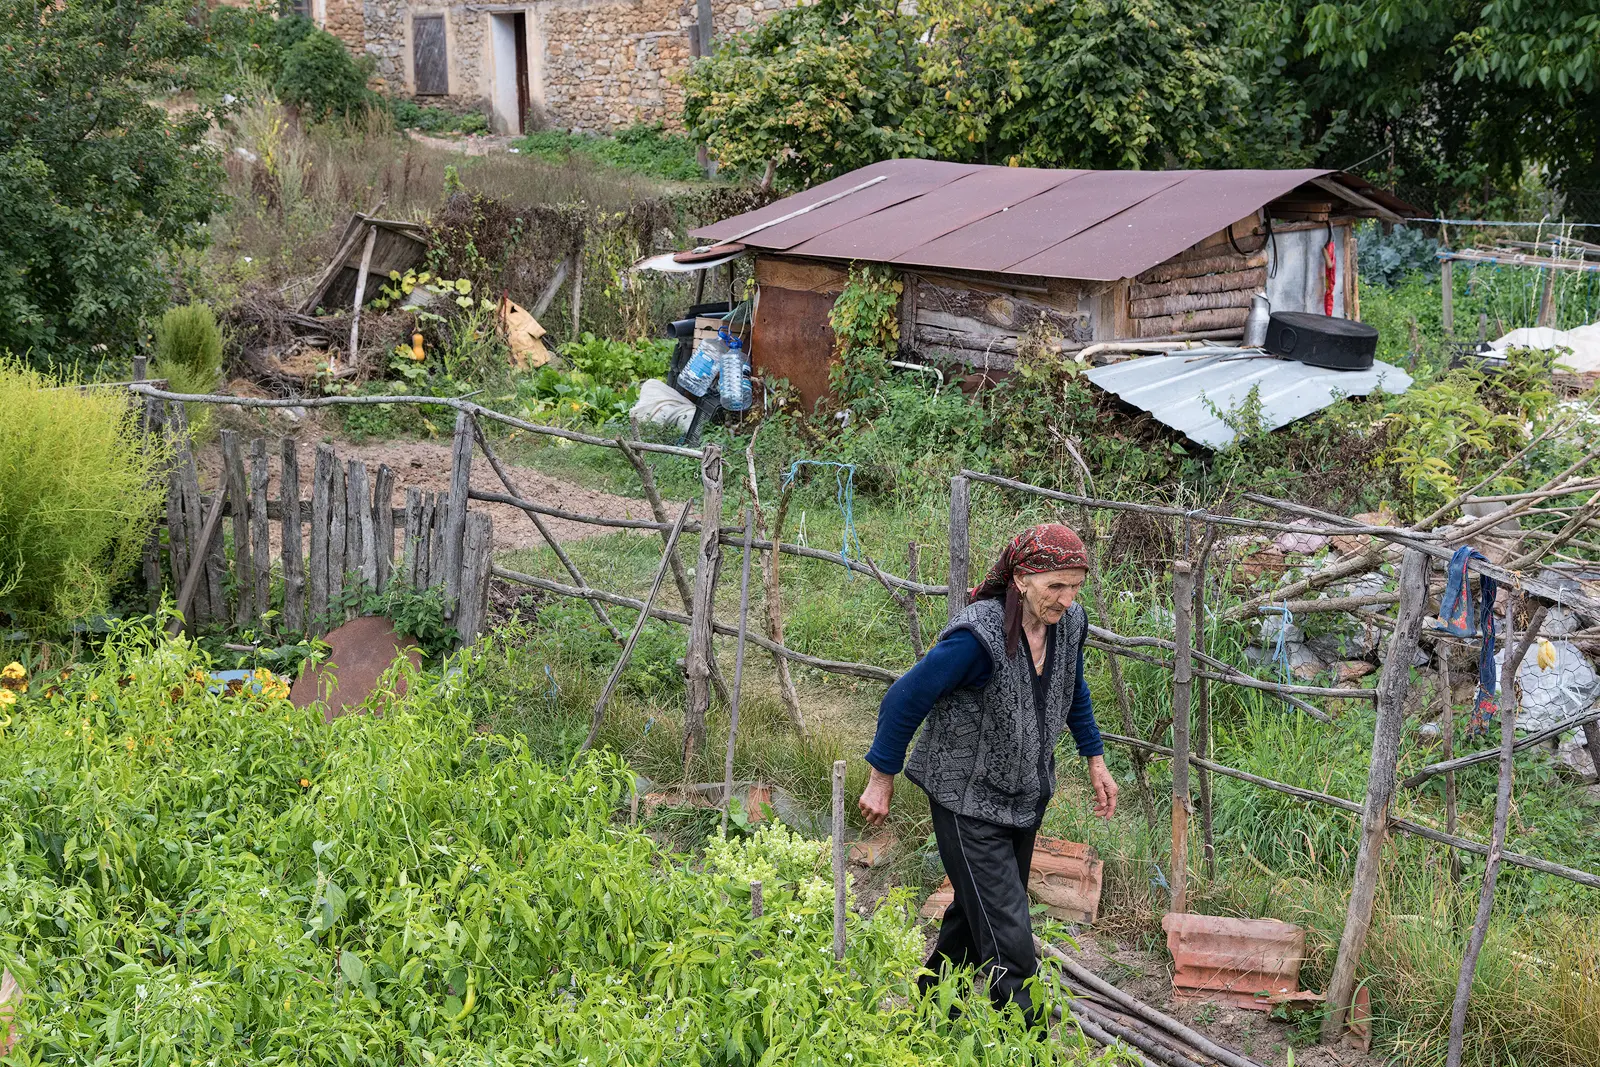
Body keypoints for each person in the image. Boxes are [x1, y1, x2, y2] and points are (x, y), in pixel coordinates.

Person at [858, 522, 1117, 1026]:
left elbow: (1073, 688)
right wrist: (881, 778)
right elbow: (904, 699)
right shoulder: (977, 638)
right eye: (1055, 586)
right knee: (1010, 940)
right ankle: (1027, 1047)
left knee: (974, 918)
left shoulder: (1068, 626)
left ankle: (930, 1018)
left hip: (1022, 800)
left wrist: (1095, 758)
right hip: (965, 802)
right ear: (1021, 579)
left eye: (1075, 587)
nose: (1066, 599)